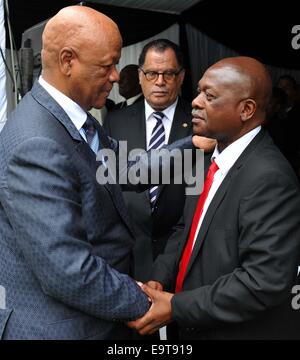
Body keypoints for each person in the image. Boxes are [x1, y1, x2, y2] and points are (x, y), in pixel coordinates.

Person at [0, 6, 195, 340]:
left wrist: (195, 145)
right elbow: (67, 270)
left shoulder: (77, 119)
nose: (118, 76)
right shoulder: (36, 143)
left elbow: (125, 168)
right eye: (108, 65)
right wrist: (148, 303)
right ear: (67, 61)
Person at [128, 56, 300, 339]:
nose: (195, 102)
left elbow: (262, 281)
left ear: (246, 109)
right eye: (198, 92)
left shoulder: (270, 178)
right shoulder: (208, 159)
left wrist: (177, 306)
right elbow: (187, 228)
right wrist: (160, 277)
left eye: (209, 96)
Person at [104, 39, 215, 284]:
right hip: (129, 256)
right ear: (140, 75)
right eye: (152, 73)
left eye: (169, 74)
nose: (160, 82)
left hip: (183, 251)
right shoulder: (115, 121)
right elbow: (113, 181)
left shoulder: (203, 124)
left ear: (182, 76)